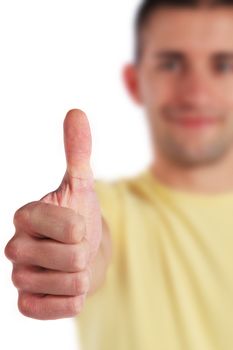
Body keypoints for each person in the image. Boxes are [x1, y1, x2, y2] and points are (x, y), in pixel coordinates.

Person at [4, 0, 233, 349]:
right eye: (171, 63)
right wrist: (71, 257)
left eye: (224, 65)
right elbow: (95, 247)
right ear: (134, 81)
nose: (196, 94)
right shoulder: (110, 210)